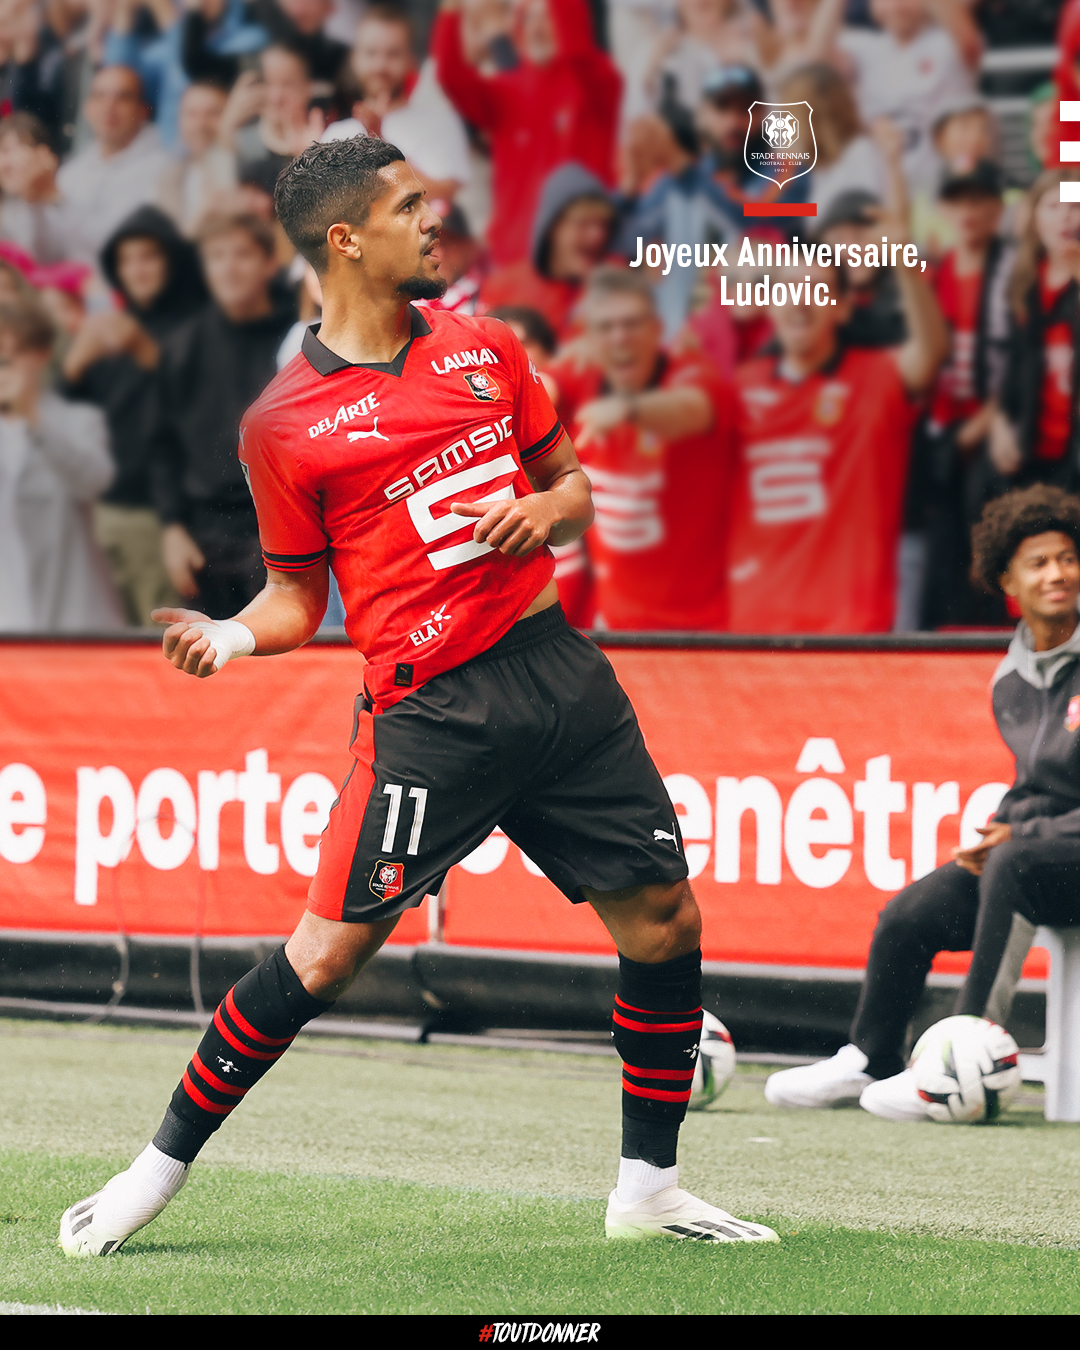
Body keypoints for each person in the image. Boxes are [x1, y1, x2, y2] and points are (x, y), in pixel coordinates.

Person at [58, 135, 778, 1254]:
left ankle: (647, 1191)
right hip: (432, 718)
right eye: (409, 205)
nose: (435, 217)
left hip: (560, 682)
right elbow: (298, 600)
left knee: (665, 920)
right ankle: (154, 1171)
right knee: (325, 958)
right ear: (347, 238)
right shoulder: (282, 426)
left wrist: (547, 515)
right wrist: (233, 638)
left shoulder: (489, 346)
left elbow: (571, 484)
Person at [764, 484, 1080, 1121]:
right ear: (1006, 580)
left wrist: (1017, 837)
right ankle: (870, 1058)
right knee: (911, 913)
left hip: (1052, 857)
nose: (1059, 574)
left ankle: (962, 1059)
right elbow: (1033, 786)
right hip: (1047, 852)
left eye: (1068, 559)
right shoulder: (1009, 677)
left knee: (1013, 863)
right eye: (1040, 562)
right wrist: (996, 829)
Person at [726, 251, 948, 634]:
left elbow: (929, 355)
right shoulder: (740, 385)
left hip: (851, 622)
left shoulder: (878, 375)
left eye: (817, 290)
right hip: (752, 617)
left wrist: (906, 268)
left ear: (843, 310)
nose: (800, 301)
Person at [547, 266, 732, 630]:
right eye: (607, 328)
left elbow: (693, 409)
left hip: (702, 625)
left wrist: (628, 410)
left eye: (632, 324)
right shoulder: (583, 376)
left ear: (656, 330)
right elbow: (540, 390)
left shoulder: (692, 374)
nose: (621, 338)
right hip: (615, 621)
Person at [61, 206, 206, 626]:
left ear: (172, 261)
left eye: (148, 256)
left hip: (161, 519)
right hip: (103, 513)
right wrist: (76, 362)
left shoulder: (198, 324)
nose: (136, 270)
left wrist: (145, 350)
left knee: (153, 641)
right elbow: (69, 408)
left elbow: (194, 408)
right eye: (126, 260)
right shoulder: (111, 329)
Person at [151, 211, 295, 616]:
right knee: (210, 664)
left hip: (281, 528)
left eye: (242, 255)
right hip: (204, 536)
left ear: (269, 264)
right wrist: (172, 529)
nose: (228, 268)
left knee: (281, 663)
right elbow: (162, 446)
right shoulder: (181, 347)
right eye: (216, 257)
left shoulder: (299, 338)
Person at [432, 0, 622, 268]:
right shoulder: (505, 90)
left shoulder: (596, 83)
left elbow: (578, 51)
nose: (537, 27)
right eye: (529, 18)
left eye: (548, 17)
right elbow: (451, 77)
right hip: (512, 261)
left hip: (577, 263)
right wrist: (451, 9)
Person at [0, 296, 121, 632]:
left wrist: (34, 420)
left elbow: (95, 480)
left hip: (73, 606)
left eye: (13, 354)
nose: (4, 365)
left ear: (41, 355)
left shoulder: (78, 419)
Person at [990, 171, 1080, 492]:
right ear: (1035, 218)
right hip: (1030, 452)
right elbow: (1013, 364)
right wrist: (999, 423)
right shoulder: (1025, 282)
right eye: (1053, 206)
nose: (1065, 217)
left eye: (1074, 206)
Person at [55, 65, 172, 270]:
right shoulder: (71, 172)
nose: (109, 106)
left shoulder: (165, 170)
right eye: (100, 96)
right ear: (87, 108)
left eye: (123, 97)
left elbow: (121, 245)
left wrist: (56, 200)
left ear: (143, 110)